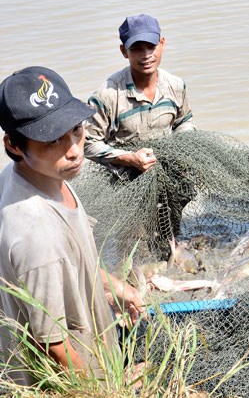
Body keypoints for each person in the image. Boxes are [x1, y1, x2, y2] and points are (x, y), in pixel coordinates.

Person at [0, 66, 145, 385]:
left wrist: (109, 285)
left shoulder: (42, 174)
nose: (74, 151)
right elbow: (51, 345)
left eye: (75, 129)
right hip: (68, 382)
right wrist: (105, 390)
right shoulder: (34, 232)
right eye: (52, 140)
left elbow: (68, 258)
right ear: (13, 145)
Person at [84, 13, 196, 178]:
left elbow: (184, 122)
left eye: (151, 46)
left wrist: (180, 148)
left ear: (162, 44)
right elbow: (87, 144)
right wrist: (129, 158)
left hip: (166, 171)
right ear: (124, 51)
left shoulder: (176, 86)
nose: (146, 55)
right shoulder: (107, 96)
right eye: (137, 49)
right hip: (123, 180)